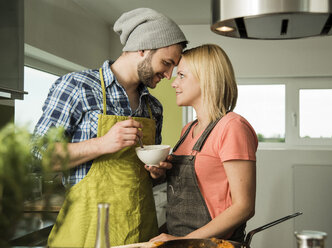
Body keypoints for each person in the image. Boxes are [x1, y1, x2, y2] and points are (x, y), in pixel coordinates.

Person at [33, 8, 187, 247]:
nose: (168, 75)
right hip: (86, 233)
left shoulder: (153, 107)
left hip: (140, 234)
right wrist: (102, 143)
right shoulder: (77, 87)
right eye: (166, 63)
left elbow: (146, 175)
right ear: (143, 49)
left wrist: (157, 172)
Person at [150, 44, 258, 243]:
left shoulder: (232, 127)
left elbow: (244, 207)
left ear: (206, 78)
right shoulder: (187, 130)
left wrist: (183, 242)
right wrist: (160, 173)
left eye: (181, 75)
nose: (173, 83)